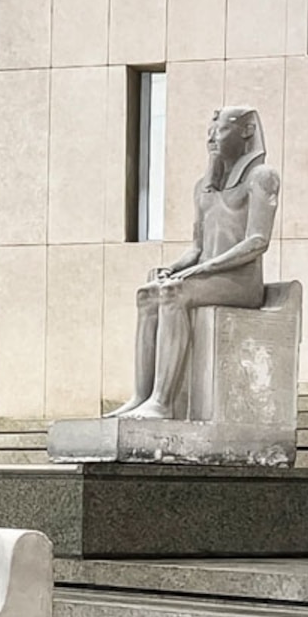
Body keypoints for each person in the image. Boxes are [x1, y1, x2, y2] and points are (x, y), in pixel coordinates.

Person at [110, 105, 279, 421]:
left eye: (222, 129)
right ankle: (141, 396)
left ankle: (162, 401)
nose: (212, 137)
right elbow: (197, 247)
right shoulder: (203, 187)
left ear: (246, 131)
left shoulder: (262, 177)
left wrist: (199, 270)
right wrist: (174, 267)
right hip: (208, 276)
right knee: (148, 293)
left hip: (241, 283)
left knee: (175, 293)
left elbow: (257, 241)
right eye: (210, 132)